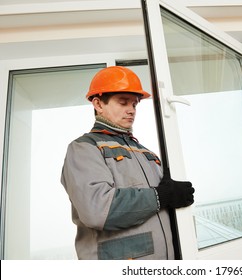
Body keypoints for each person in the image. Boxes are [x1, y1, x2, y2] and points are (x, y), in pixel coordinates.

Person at [61, 66, 194, 260]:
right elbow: (97, 209)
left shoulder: (145, 152)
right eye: (123, 102)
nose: (131, 110)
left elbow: (164, 204)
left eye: (134, 104)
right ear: (98, 104)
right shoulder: (83, 148)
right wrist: (161, 197)